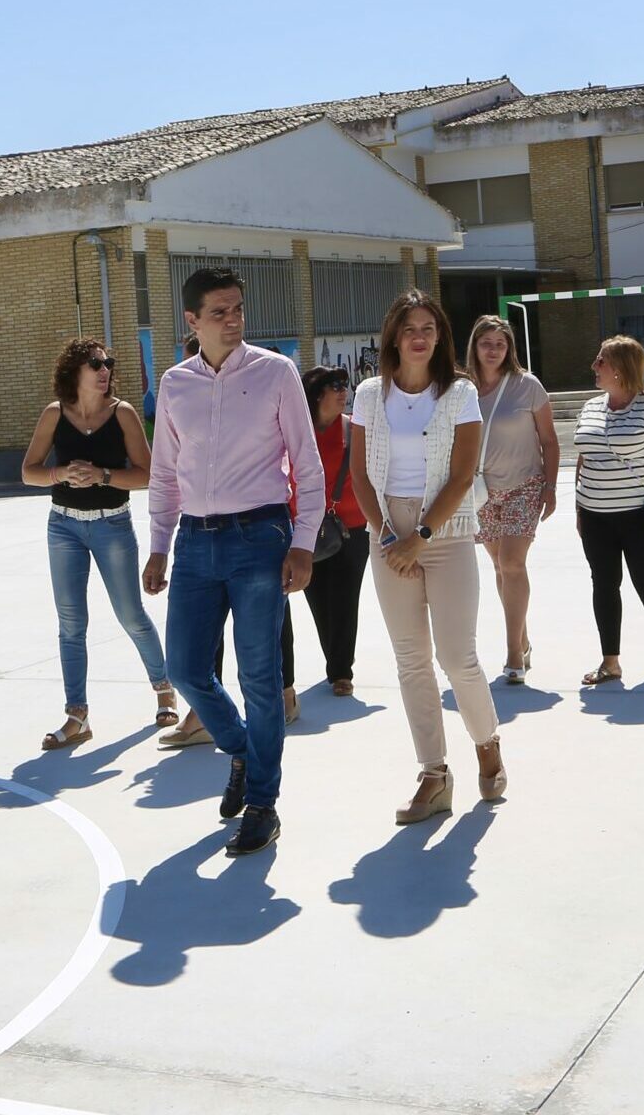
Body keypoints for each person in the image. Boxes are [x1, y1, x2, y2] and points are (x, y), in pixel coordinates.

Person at [144, 268, 324, 858]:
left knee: (259, 678)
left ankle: (263, 805)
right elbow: (165, 473)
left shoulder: (275, 372)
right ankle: (243, 749)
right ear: (191, 322)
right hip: (195, 542)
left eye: (238, 309)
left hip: (260, 540)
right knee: (187, 669)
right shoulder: (174, 384)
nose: (233, 320)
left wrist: (303, 542)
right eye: (219, 312)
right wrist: (160, 545)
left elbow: (307, 462)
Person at [351, 290, 504, 824]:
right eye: (409, 328)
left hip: (449, 527)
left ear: (440, 336)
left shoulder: (459, 394)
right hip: (387, 529)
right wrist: (388, 535)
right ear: (393, 334)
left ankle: (486, 741)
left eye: (429, 328)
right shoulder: (370, 394)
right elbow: (360, 474)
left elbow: (462, 475)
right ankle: (434, 774)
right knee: (411, 658)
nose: (419, 337)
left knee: (457, 657)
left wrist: (422, 534)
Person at [19, 338, 174, 750]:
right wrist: (62, 474)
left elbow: (146, 475)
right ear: (75, 370)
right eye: (95, 363)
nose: (105, 369)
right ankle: (77, 716)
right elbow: (29, 472)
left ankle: (164, 689)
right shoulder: (55, 414)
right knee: (71, 625)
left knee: (131, 615)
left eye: (108, 362)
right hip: (64, 528)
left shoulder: (122, 413)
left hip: (113, 526)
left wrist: (103, 475)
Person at [571, 335, 644, 687]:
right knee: (603, 584)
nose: (594, 366)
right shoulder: (590, 407)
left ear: (620, 368)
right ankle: (610, 663)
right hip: (594, 515)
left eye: (601, 361)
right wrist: (579, 507)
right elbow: (584, 459)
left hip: (638, 515)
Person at [465, 314, 559, 684]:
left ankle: (512, 653)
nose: (493, 350)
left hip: (524, 485)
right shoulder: (462, 388)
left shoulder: (526, 386)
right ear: (474, 345)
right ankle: (522, 637)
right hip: (480, 490)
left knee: (512, 563)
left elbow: (549, 440)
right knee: (499, 567)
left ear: (510, 349)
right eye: (486, 343)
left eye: (500, 345)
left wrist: (550, 488)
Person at [299, 364, 370, 698]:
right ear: (316, 394)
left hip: (352, 527)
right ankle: (335, 658)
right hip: (306, 529)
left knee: (344, 598)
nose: (344, 391)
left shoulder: (354, 429)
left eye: (345, 385)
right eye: (335, 386)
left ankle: (341, 671)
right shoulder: (297, 433)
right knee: (319, 601)